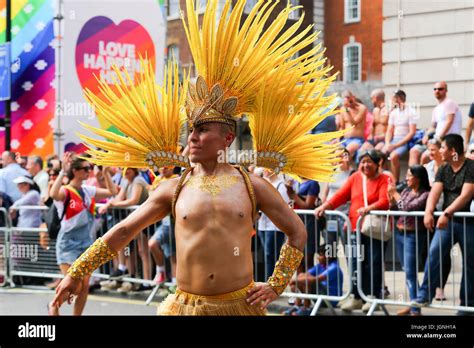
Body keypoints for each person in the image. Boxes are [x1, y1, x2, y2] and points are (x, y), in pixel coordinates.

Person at [51, 0, 345, 316]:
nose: (192, 137)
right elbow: (123, 232)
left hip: (239, 307)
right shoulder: (172, 189)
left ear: (228, 138)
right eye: (192, 129)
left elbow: (297, 231)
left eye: (203, 130)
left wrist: (276, 284)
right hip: (184, 308)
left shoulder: (252, 186)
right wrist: (77, 271)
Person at [314, 150, 390, 312]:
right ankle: (356, 297)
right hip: (356, 228)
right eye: (362, 161)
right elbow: (341, 195)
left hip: (374, 229)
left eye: (369, 162)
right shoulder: (355, 177)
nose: (365, 165)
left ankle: (373, 297)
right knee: (356, 262)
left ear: (378, 164)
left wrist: (368, 208)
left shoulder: (385, 179)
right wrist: (324, 206)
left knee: (373, 262)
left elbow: (385, 200)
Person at [411, 134, 474, 314]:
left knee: (470, 264)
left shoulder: (471, 166)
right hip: (447, 221)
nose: (440, 151)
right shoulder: (444, 168)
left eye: (442, 148)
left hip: (468, 222)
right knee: (434, 254)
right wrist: (428, 211)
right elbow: (435, 192)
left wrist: (446, 213)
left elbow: (465, 195)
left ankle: (466, 305)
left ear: (453, 151)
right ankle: (424, 295)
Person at [48, 152, 116, 315]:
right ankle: (53, 305)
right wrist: (63, 171)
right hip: (68, 244)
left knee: (85, 286)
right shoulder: (65, 191)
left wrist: (106, 173)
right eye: (86, 168)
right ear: (76, 171)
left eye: (90, 168)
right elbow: (53, 194)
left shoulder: (87, 190)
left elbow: (111, 192)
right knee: (74, 286)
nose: (89, 171)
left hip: (86, 243)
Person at [98, 167, 152, 292]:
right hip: (133, 220)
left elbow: (133, 200)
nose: (125, 171)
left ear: (134, 170)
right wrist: (109, 204)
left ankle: (147, 282)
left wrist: (113, 204)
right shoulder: (125, 181)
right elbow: (119, 198)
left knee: (143, 251)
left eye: (128, 169)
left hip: (143, 220)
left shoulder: (138, 180)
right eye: (123, 168)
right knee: (129, 249)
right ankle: (130, 277)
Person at [388, 165, 430, 315]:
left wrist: (396, 195)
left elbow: (407, 207)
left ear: (418, 178)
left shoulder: (425, 194)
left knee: (411, 271)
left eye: (409, 175)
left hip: (413, 236)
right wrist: (392, 200)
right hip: (399, 234)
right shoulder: (405, 191)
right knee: (407, 271)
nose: (406, 178)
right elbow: (398, 210)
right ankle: (414, 303)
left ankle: (415, 308)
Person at [409, 82, 463, 165]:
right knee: (414, 151)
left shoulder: (449, 103)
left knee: (425, 157)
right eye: (435, 89)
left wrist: (439, 137)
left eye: (440, 89)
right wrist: (426, 136)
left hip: (449, 141)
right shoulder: (436, 109)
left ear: (446, 90)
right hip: (436, 141)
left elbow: (449, 121)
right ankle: (413, 176)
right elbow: (433, 126)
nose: (437, 91)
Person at [286, 245, 343, 316]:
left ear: (328, 257)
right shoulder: (321, 265)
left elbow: (316, 279)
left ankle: (306, 307)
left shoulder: (334, 268)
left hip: (330, 299)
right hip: (321, 295)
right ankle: (297, 306)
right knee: (303, 278)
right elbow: (303, 275)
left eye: (320, 255)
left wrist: (295, 281)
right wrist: (296, 281)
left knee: (308, 281)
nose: (318, 257)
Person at [148, 166, 179, 285]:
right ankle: (163, 273)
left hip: (173, 222)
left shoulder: (176, 179)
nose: (163, 169)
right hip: (164, 223)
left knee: (172, 255)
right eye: (161, 167)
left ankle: (174, 284)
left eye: (167, 167)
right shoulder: (158, 181)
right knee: (170, 253)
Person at [258, 168, 291, 280]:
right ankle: (270, 279)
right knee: (267, 254)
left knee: (270, 254)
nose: (265, 170)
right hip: (263, 224)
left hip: (274, 226)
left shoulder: (280, 185)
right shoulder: (264, 182)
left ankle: (271, 281)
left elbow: (282, 205)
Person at [383, 90, 418, 183]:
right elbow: (389, 130)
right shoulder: (393, 113)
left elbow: (412, 132)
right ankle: (384, 180)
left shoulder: (411, 111)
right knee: (380, 154)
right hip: (393, 140)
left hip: (404, 141)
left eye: (393, 98)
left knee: (393, 156)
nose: (391, 101)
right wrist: (387, 143)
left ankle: (396, 181)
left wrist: (395, 146)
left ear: (399, 99)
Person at [339, 90, 368, 159]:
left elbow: (354, 124)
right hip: (345, 139)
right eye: (348, 101)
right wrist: (337, 138)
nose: (350, 103)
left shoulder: (362, 108)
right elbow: (342, 127)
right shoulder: (342, 109)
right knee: (337, 152)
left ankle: (347, 167)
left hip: (357, 140)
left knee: (345, 153)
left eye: (350, 101)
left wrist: (347, 110)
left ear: (353, 97)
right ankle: (345, 169)